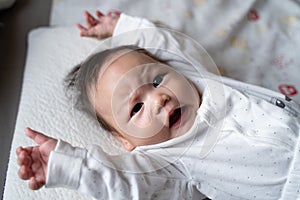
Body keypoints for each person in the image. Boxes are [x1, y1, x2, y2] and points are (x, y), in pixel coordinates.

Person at [16, 11, 300, 200]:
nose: (158, 98)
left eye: (157, 80)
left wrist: (122, 27)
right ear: (124, 140)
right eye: (135, 109)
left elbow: (166, 44)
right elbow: (121, 183)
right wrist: (66, 164)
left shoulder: (199, 78)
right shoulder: (166, 162)